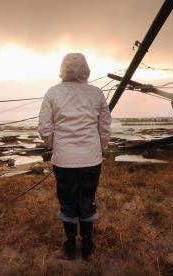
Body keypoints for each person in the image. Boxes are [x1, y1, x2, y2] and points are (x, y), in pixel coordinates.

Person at [38, 53, 112, 259]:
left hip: (63, 160)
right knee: (87, 199)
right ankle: (87, 245)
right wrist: (101, 148)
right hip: (91, 159)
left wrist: (56, 146)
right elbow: (104, 127)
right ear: (86, 69)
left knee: (67, 200)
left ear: (63, 69)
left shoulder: (52, 93)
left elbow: (44, 128)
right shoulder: (96, 93)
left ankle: (70, 245)